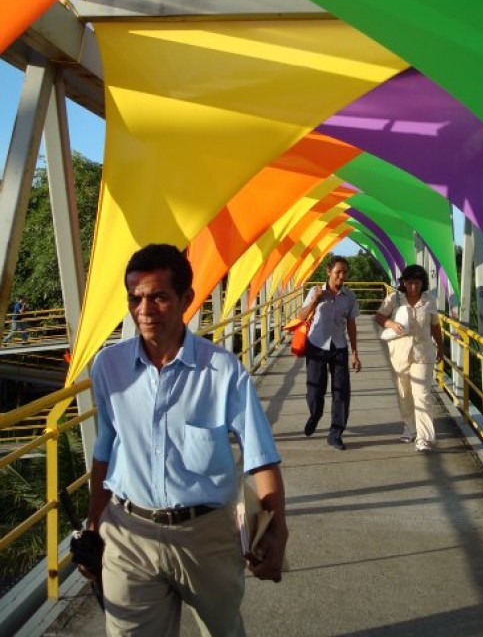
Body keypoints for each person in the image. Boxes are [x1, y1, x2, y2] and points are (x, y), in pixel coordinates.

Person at [83, 244, 287, 637]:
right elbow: (106, 447)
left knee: (222, 630)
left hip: (206, 535)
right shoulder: (109, 366)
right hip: (128, 532)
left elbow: (260, 457)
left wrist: (278, 532)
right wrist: (95, 521)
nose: (144, 310)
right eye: (135, 297)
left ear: (186, 299)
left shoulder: (222, 370)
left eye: (158, 296)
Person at [375, 264, 444, 452]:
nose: (414, 287)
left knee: (422, 394)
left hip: (423, 353)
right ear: (404, 283)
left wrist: (441, 346)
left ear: (423, 284)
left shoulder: (429, 301)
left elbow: (435, 326)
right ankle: (409, 427)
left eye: (417, 283)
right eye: (410, 283)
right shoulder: (394, 299)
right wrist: (390, 322)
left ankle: (425, 438)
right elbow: (379, 317)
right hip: (399, 352)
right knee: (404, 392)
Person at [297, 255, 361, 451]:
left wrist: (354, 353)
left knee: (341, 392)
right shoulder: (315, 292)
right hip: (316, 345)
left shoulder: (349, 297)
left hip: (339, 346)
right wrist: (315, 300)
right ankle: (315, 415)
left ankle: (335, 434)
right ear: (328, 272)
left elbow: (351, 324)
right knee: (315, 390)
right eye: (337, 272)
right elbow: (301, 316)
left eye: (344, 273)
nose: (341, 276)